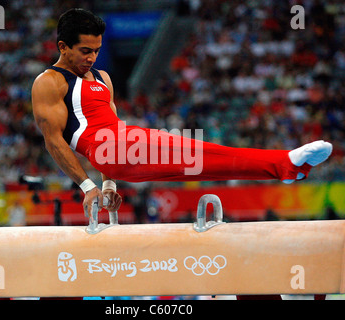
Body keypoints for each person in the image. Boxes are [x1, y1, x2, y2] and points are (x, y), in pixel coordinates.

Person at [31, 8, 332, 217]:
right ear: (63, 46)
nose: (93, 57)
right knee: (201, 152)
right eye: (85, 51)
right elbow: (54, 141)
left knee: (204, 161)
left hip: (123, 149)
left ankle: (285, 168)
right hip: (110, 147)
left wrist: (108, 185)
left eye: (97, 49)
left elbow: (114, 130)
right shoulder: (50, 82)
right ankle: (285, 163)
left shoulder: (103, 78)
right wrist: (88, 187)